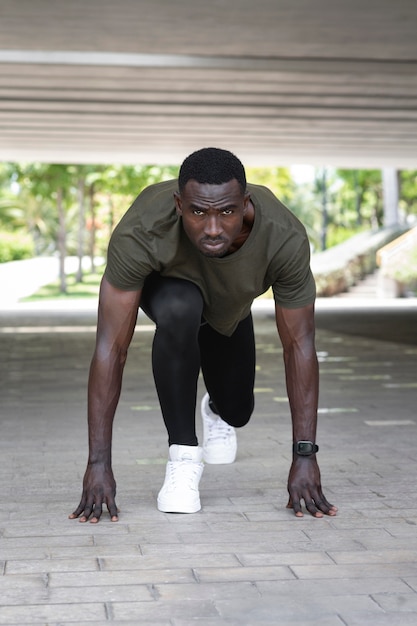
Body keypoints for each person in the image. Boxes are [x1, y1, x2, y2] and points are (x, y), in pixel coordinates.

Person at [69, 147, 337, 523]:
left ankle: (214, 408)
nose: (213, 228)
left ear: (245, 203)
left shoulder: (283, 236)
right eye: (198, 212)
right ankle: (183, 458)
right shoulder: (143, 228)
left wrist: (305, 456)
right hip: (174, 299)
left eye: (227, 212)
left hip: (228, 311)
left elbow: (299, 345)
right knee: (182, 306)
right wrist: (98, 463)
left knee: (238, 410)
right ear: (179, 205)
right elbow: (110, 348)